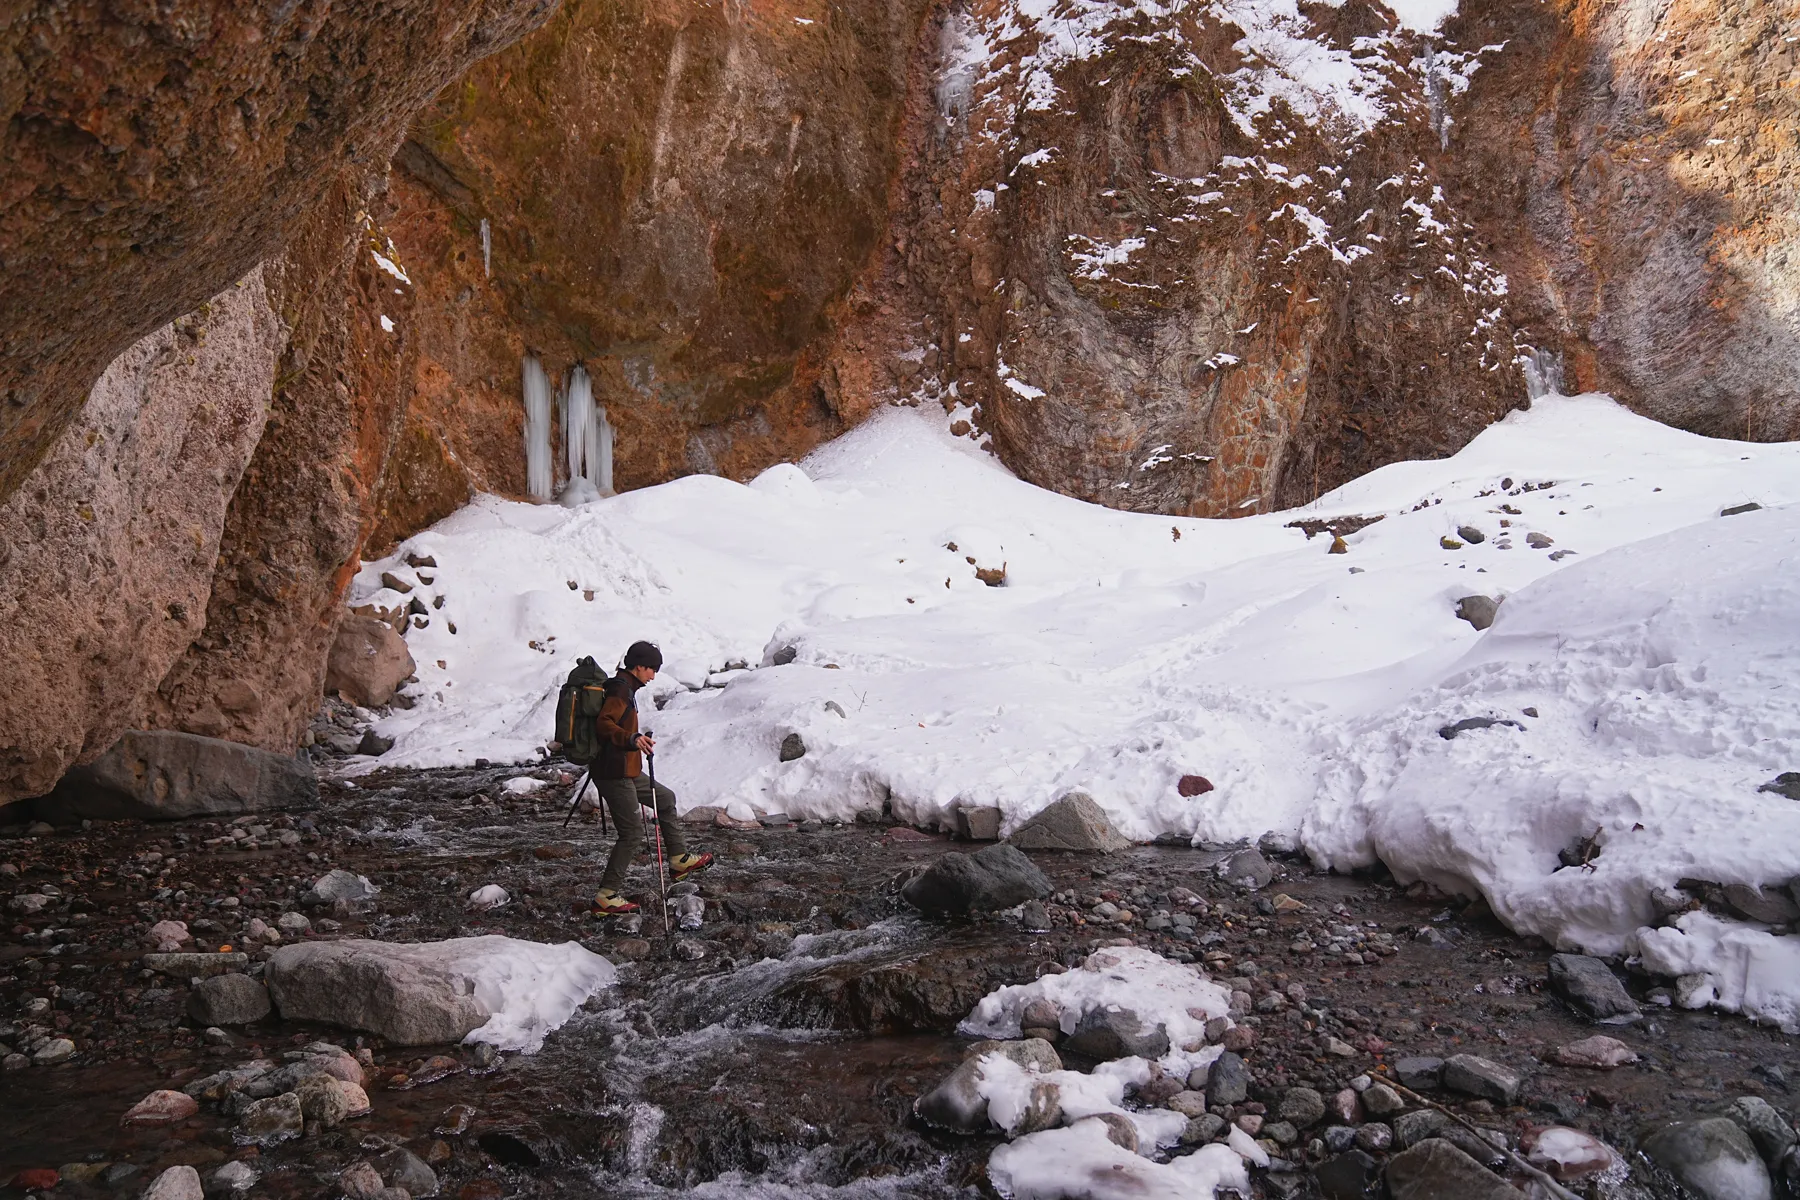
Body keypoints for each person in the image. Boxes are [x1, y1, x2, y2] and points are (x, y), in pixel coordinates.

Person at [591, 640, 713, 914]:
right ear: (638, 666)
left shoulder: (627, 689)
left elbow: (618, 728)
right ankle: (606, 895)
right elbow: (604, 725)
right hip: (613, 773)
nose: (653, 675)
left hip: (628, 770)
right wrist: (632, 738)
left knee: (665, 798)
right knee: (632, 833)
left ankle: (679, 859)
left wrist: (635, 738)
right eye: (651, 669)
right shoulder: (620, 690)